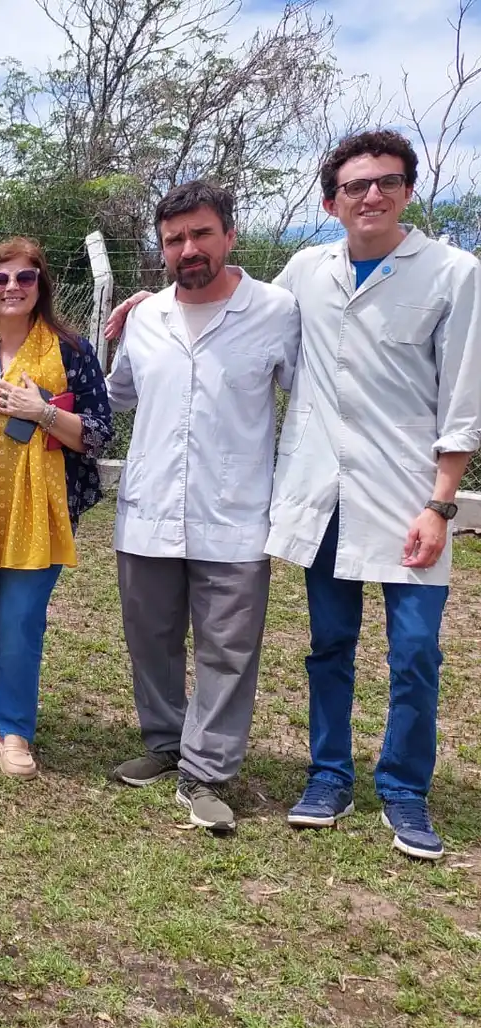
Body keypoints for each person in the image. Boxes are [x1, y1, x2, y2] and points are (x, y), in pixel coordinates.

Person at [268, 130, 479, 859]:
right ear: (332, 201)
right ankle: (329, 775)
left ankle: (405, 789)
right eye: (356, 185)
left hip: (408, 496)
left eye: (387, 181)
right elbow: (241, 314)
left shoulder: (452, 272)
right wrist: (156, 302)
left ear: (409, 190)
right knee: (329, 645)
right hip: (325, 493)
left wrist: (441, 501)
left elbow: (462, 398)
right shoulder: (305, 269)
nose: (372, 195)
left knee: (416, 651)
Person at [104, 182, 299, 831]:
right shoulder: (144, 318)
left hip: (235, 514)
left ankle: (207, 772)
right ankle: (164, 742)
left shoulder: (276, 312)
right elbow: (118, 395)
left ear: (229, 235)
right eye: (174, 239)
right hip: (150, 510)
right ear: (162, 248)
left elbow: (306, 402)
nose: (188, 248)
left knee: (227, 650)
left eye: (201, 234)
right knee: (151, 639)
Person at [0, 237, 112, 779]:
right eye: (0, 279)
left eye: (24, 278)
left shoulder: (71, 352)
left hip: (38, 511)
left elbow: (98, 434)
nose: (12, 288)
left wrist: (41, 411)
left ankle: (15, 730)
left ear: (41, 286)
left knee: (21, 621)